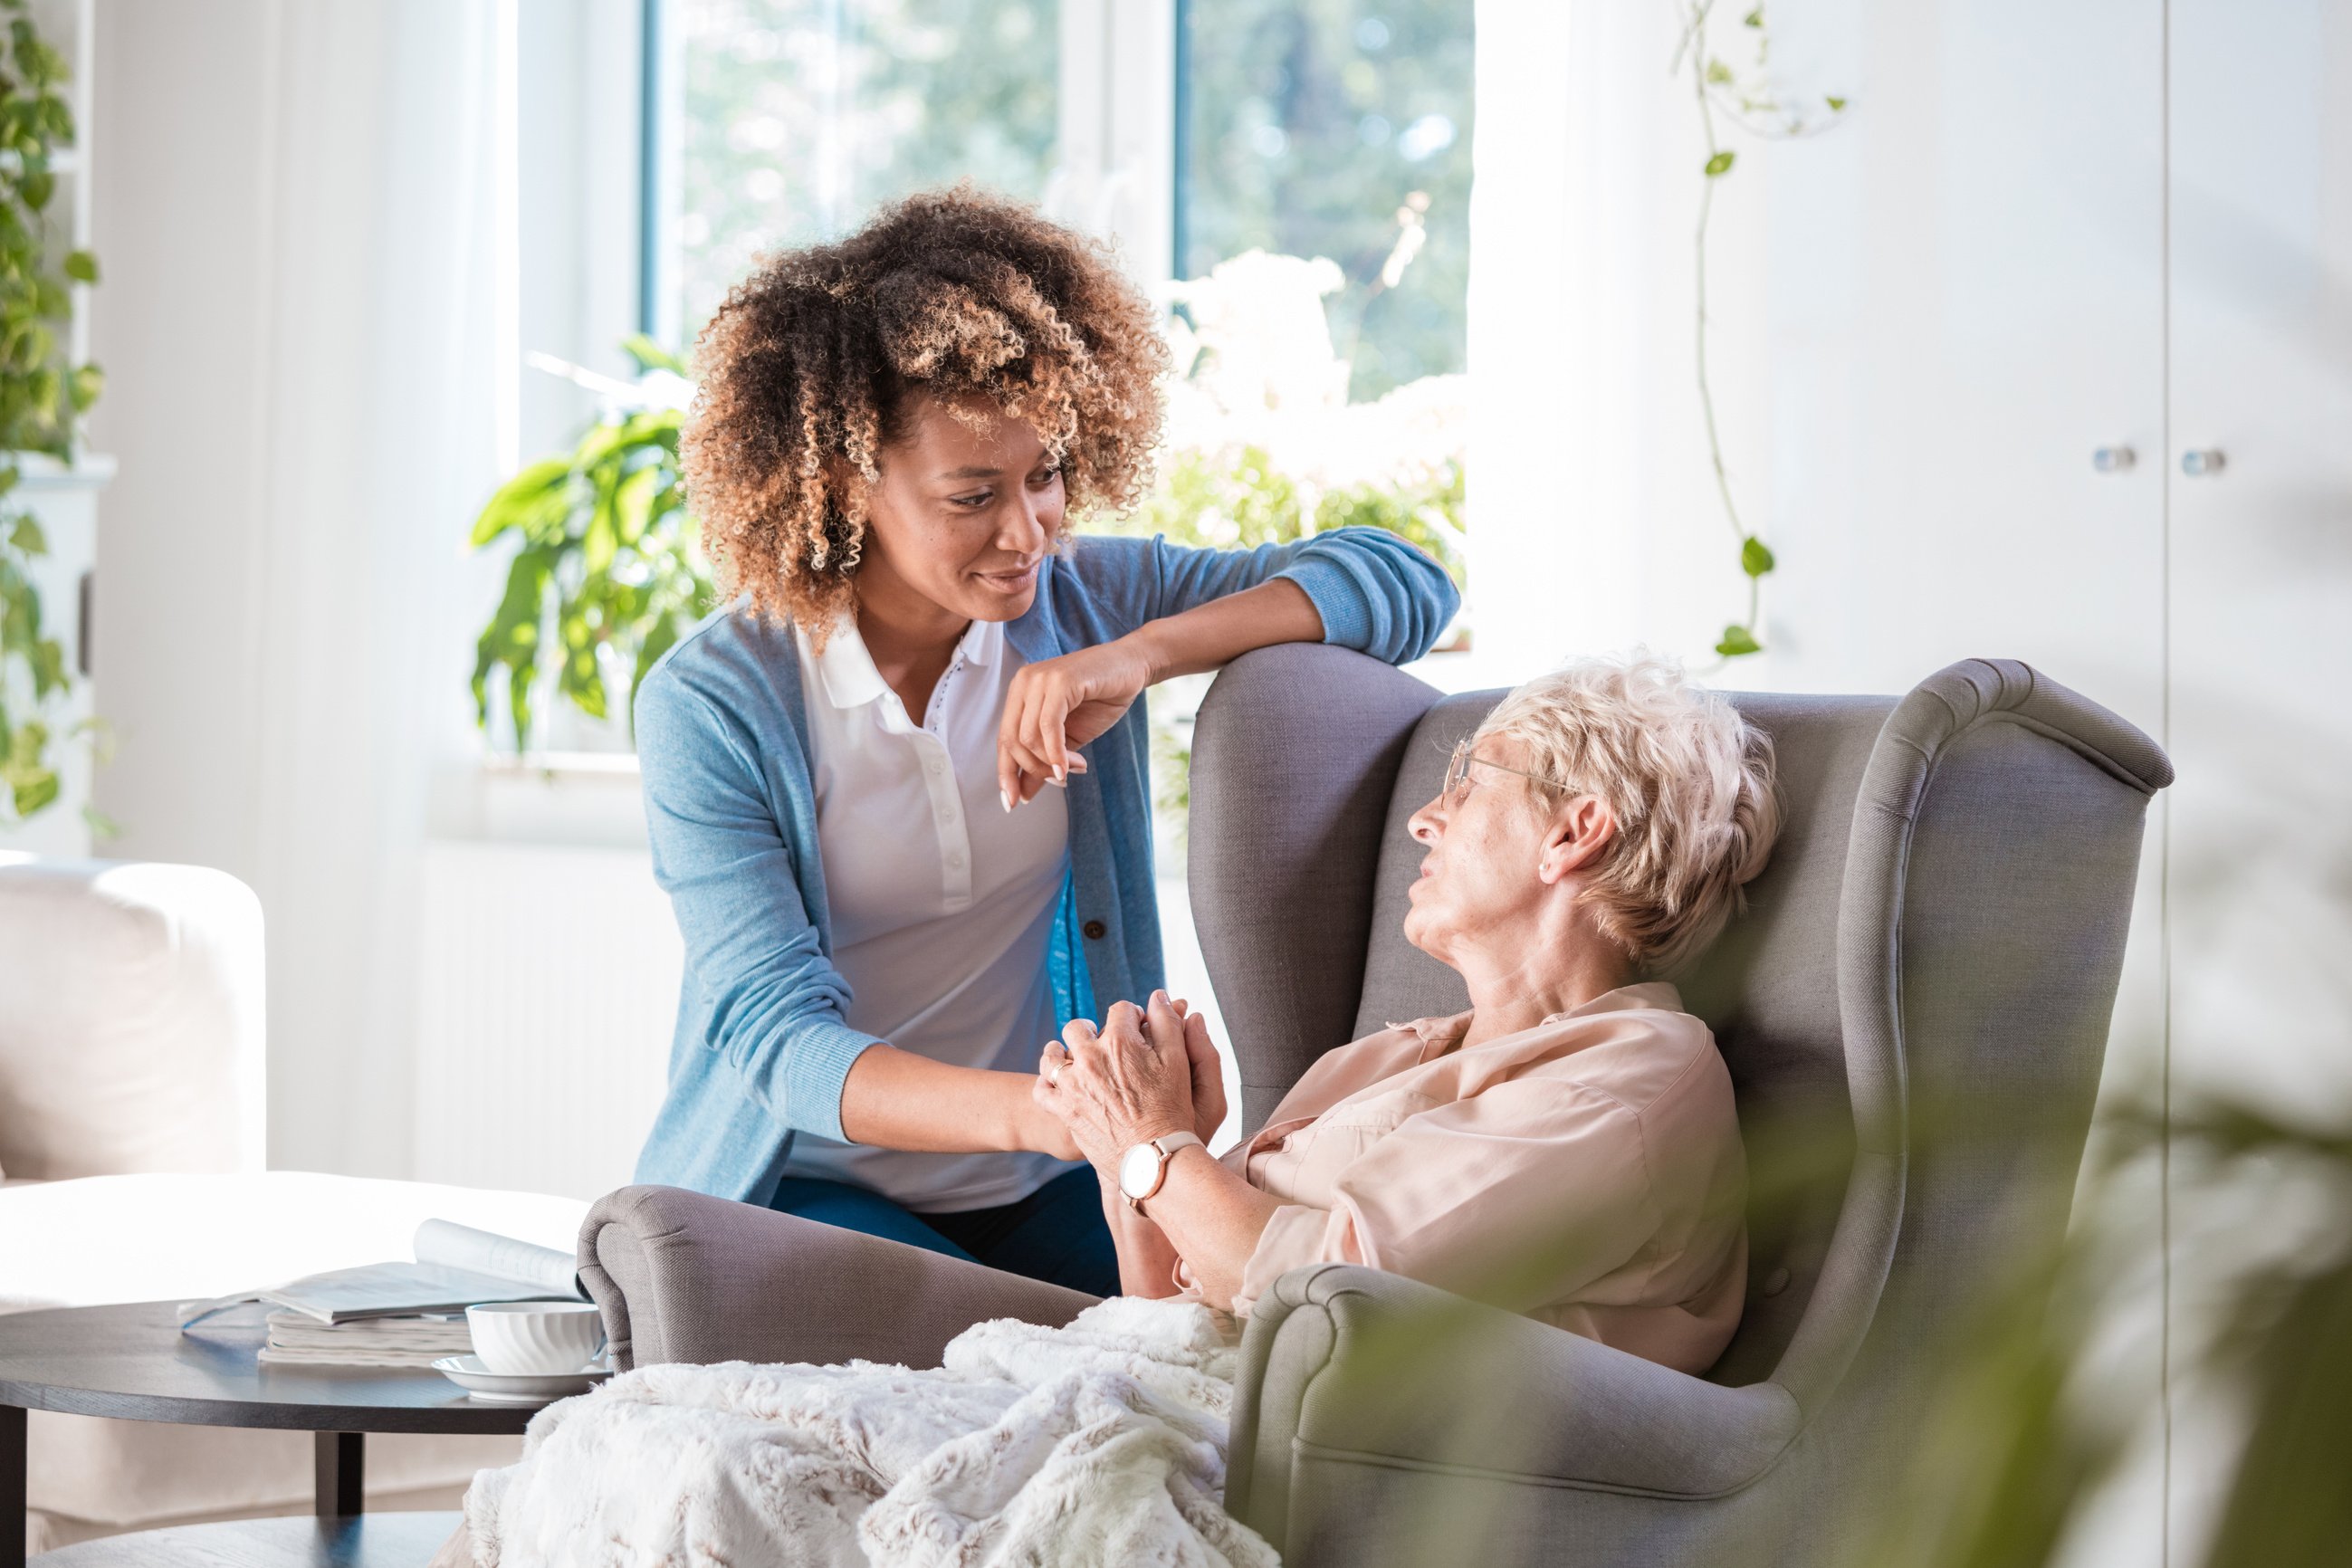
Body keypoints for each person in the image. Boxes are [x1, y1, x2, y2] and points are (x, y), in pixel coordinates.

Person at [630, 186, 1459, 1299]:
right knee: (998, 1351)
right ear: (845, 483)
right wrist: (1069, 1113)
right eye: (973, 495)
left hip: (1045, 1178)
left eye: (1046, 475)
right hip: (809, 1184)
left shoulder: (1082, 604)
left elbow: (1405, 583)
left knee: (1257, 1320)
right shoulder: (717, 701)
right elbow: (779, 1044)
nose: (1027, 533)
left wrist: (1143, 654)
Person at [1037, 654, 1780, 1372]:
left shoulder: (1633, 1077)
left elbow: (1330, 1304)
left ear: (1573, 832)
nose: (1425, 819)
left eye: (1471, 783)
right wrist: (1128, 1150)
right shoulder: (1379, 1059)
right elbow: (1159, 1317)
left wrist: (1153, 1145)